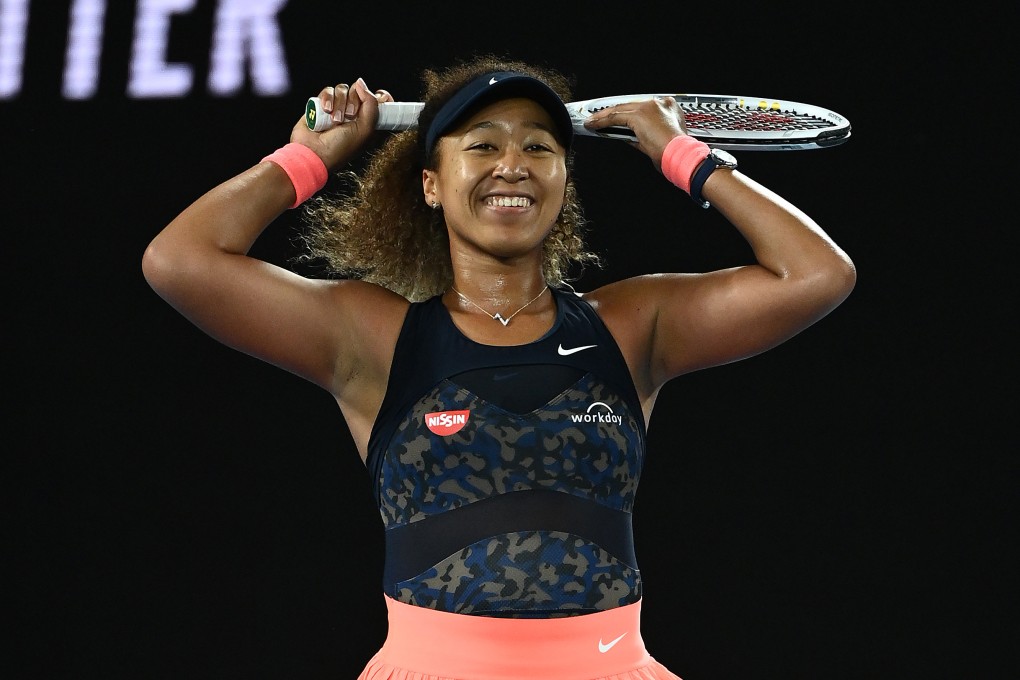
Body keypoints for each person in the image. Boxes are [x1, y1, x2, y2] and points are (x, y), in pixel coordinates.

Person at [142, 55, 856, 679]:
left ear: (563, 181)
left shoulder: (635, 326)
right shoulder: (373, 337)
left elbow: (816, 275)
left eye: (539, 147)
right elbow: (179, 261)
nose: (511, 164)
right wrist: (309, 158)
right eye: (481, 144)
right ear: (430, 184)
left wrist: (683, 155)